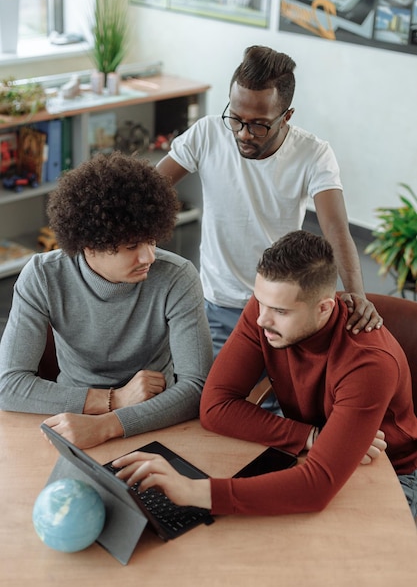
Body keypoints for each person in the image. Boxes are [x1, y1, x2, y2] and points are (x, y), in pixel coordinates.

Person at [112, 231, 417, 518]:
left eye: (281, 312)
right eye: (260, 301)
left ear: (324, 307)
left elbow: (315, 488)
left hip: (389, 471)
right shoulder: (265, 310)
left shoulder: (369, 363)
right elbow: (215, 407)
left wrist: (192, 490)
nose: (261, 319)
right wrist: (310, 437)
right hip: (314, 455)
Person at [157, 45, 382, 357]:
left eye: (259, 124)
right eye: (235, 119)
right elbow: (150, 190)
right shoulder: (208, 133)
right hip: (217, 302)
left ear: (286, 116)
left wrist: (358, 294)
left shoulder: (313, 154)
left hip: (280, 307)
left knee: (279, 400)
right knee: (214, 398)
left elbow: (335, 228)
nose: (244, 133)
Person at [0, 151, 213, 449]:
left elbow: (197, 388)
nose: (149, 256)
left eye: (152, 240)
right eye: (131, 245)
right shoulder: (42, 276)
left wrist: (108, 425)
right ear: (90, 244)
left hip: (156, 415)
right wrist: (114, 400)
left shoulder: (178, 277)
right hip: (70, 418)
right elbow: (9, 386)